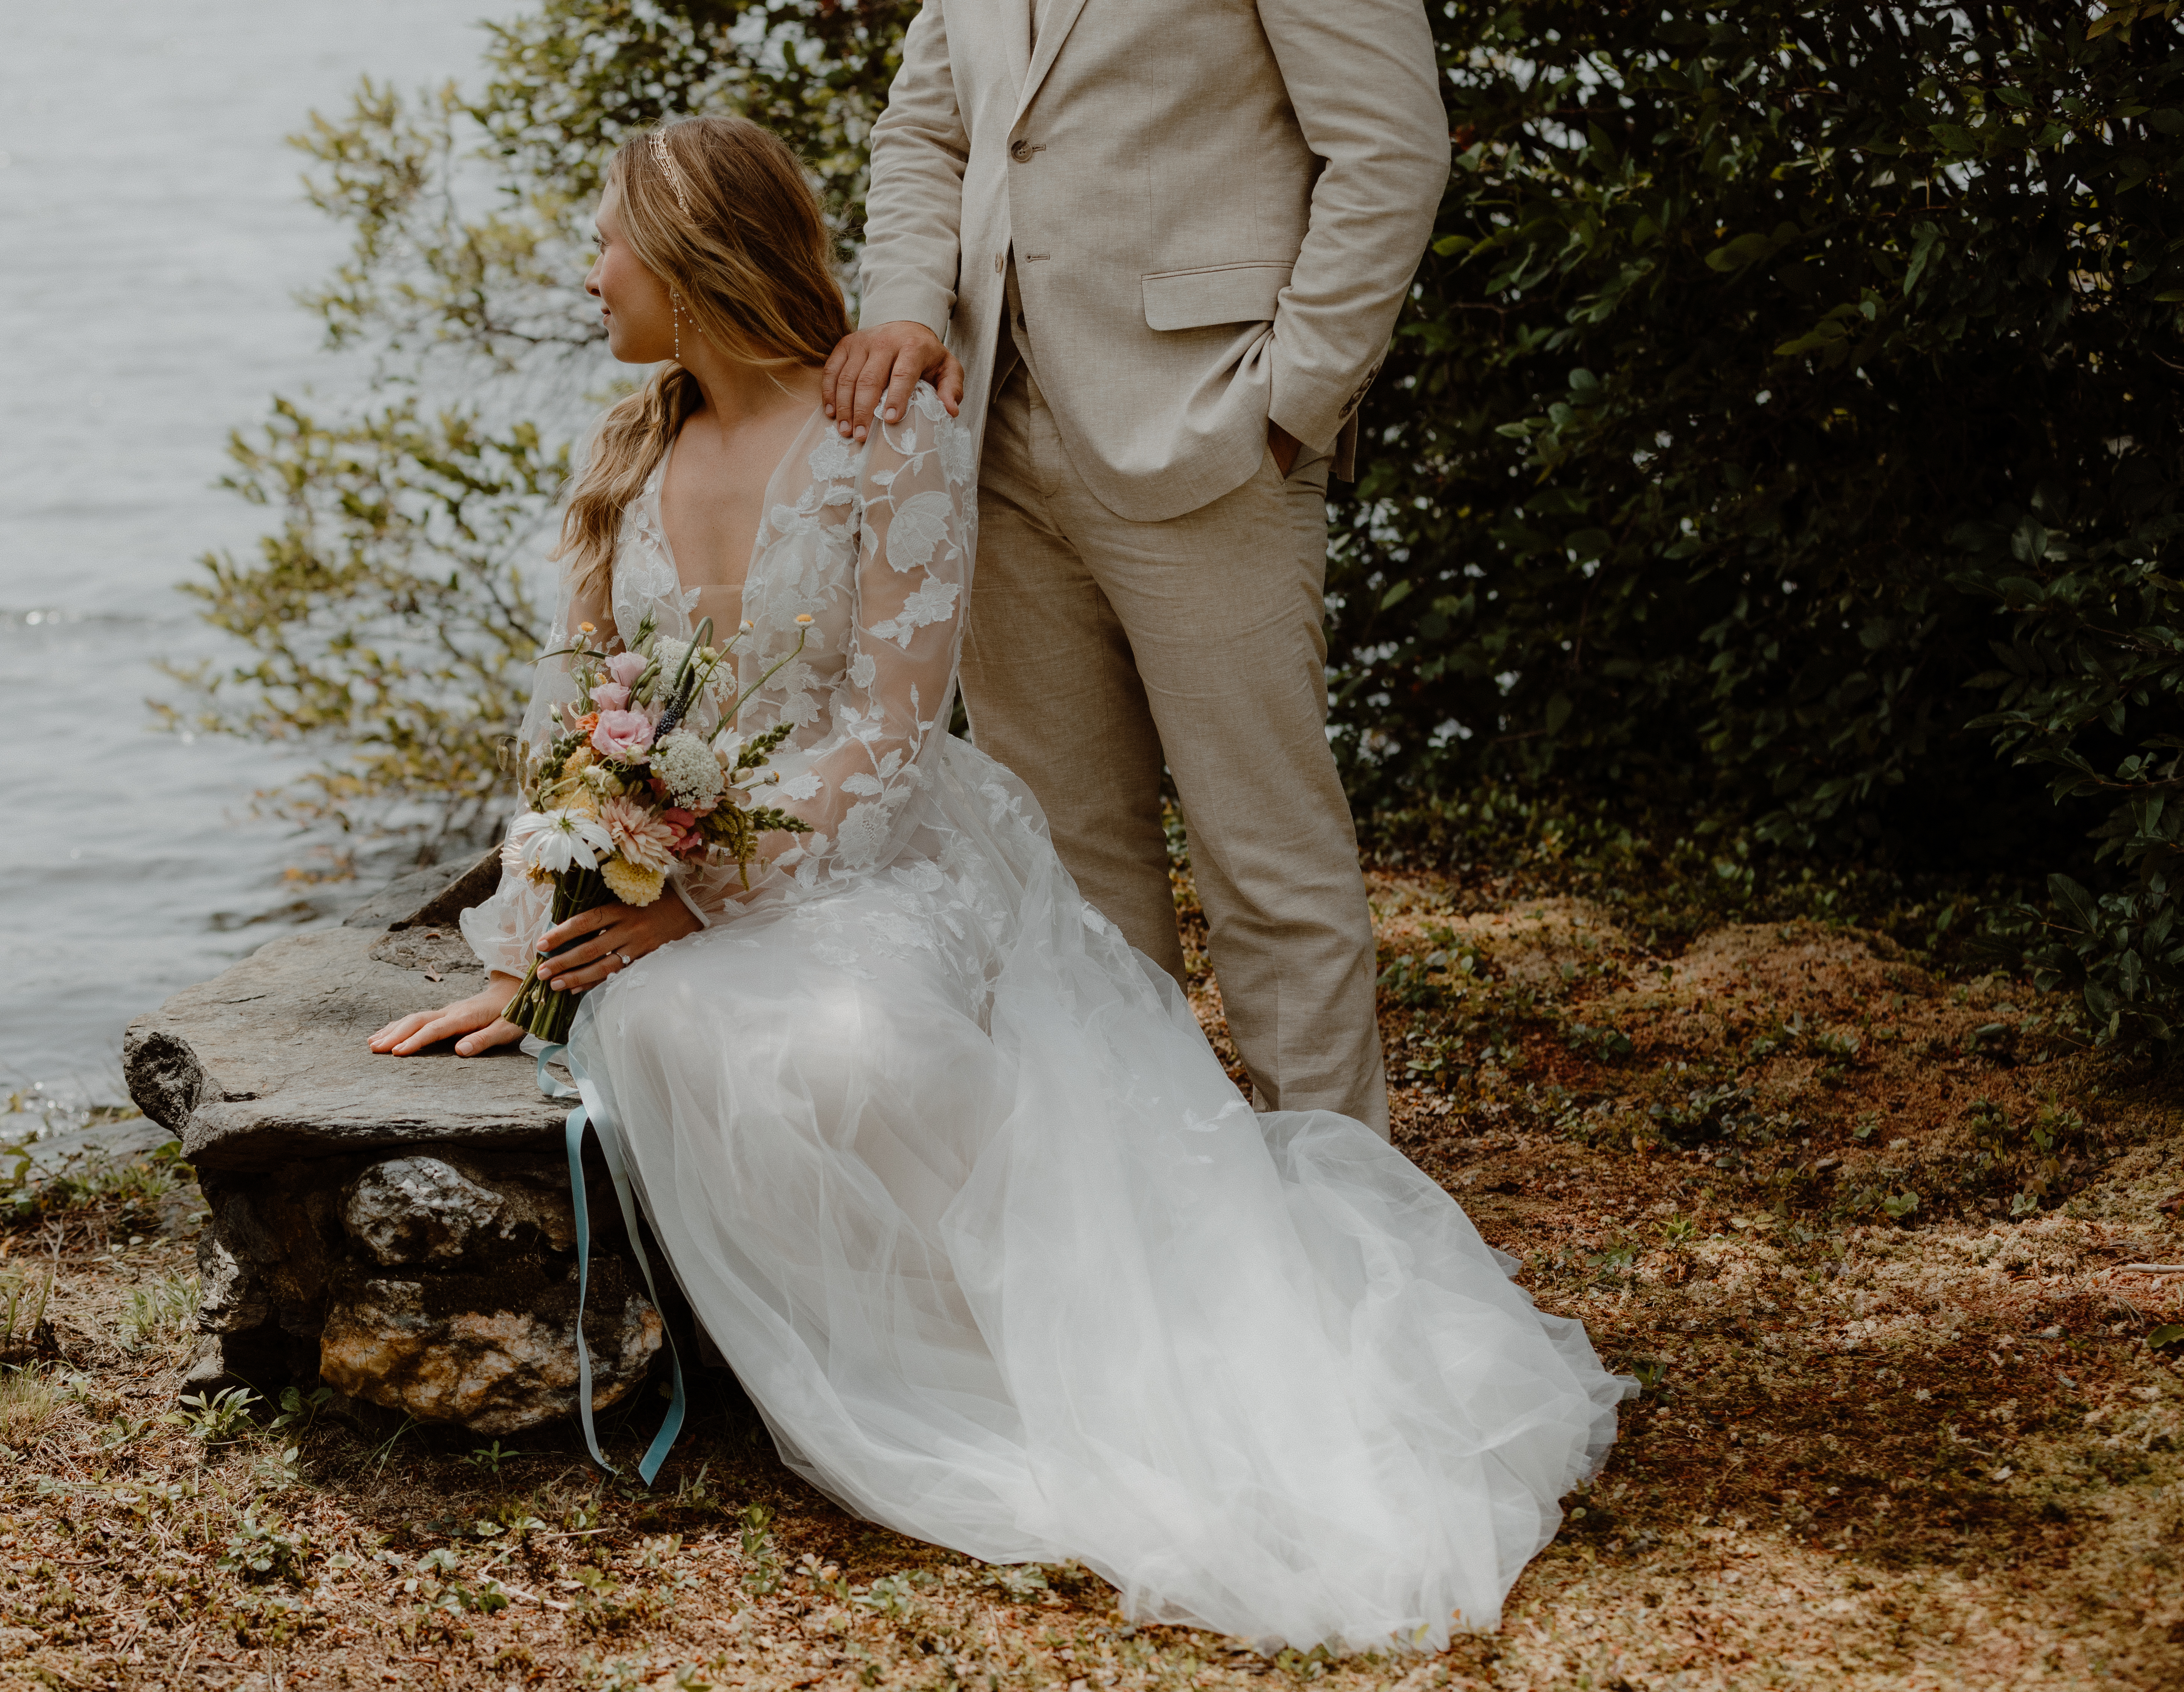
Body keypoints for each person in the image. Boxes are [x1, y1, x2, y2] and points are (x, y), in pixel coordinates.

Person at [371, 116, 1630, 1655]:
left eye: (609, 242)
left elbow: (889, 737)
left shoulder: (880, 442)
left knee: (858, 1046)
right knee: (696, 1035)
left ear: (693, 260)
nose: (589, 273)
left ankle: (1107, 1358)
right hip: (674, 884)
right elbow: (574, 725)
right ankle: (940, 1370)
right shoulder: (626, 450)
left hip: (875, 859)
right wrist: (532, 950)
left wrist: (697, 894)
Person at [820, 0, 1455, 1136]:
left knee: (1268, 863)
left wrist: (1292, 403)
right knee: (1066, 872)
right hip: (989, 434)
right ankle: (1151, 1215)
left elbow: (1392, 147)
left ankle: (1337, 1223)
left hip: (1211, 425)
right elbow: (927, 131)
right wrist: (913, 306)